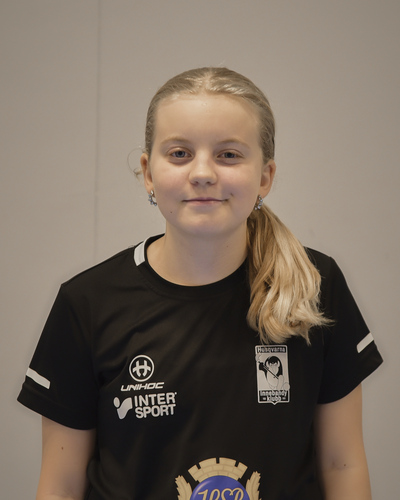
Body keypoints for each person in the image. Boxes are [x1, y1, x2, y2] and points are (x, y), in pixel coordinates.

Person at [18, 67, 383, 500]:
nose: (203, 173)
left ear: (264, 176)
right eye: (179, 153)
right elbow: (60, 484)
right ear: (148, 172)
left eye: (228, 154)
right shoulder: (87, 303)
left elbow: (342, 464)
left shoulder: (314, 286)